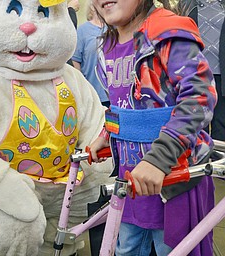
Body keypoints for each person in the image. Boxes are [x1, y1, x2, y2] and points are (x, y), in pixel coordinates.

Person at [89, 0, 217, 255]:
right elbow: (122, 102)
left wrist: (159, 160)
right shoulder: (106, 46)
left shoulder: (167, 32)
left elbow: (199, 97)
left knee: (174, 248)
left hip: (174, 178)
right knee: (126, 248)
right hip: (130, 181)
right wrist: (107, 133)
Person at [178, 0, 225, 142]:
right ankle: (200, 158)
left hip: (221, 75)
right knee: (198, 122)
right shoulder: (186, 4)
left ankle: (220, 161)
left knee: (221, 123)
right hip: (197, 73)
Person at [72, 0, 110, 107]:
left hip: (114, 94)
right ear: (92, 7)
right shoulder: (82, 31)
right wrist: (82, 87)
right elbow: (75, 61)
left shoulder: (115, 28)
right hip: (93, 93)